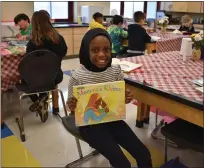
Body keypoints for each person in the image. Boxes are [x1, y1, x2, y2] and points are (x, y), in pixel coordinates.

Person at [66, 28, 152, 168]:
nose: (102, 54)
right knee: (122, 163)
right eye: (95, 50)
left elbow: (120, 96)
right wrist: (72, 105)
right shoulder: (77, 76)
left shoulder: (115, 70)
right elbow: (73, 108)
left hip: (112, 119)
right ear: (86, 52)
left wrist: (126, 97)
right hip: (90, 125)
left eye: (106, 50)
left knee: (144, 154)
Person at [24, 11, 67, 122]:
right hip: (55, 76)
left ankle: (38, 100)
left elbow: (29, 61)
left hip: (36, 79)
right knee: (46, 75)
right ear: (48, 21)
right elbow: (63, 53)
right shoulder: (59, 38)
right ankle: (46, 102)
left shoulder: (33, 42)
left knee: (23, 79)